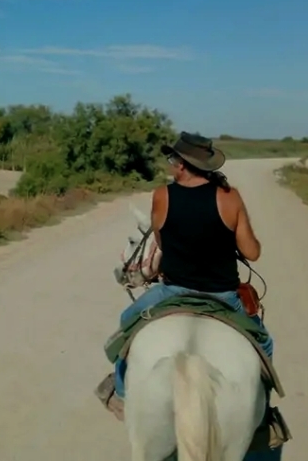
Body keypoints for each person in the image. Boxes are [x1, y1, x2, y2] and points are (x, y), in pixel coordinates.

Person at [111, 131, 276, 417]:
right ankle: (262, 416)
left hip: (172, 291)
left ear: (182, 165)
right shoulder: (230, 197)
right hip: (224, 296)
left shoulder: (162, 196)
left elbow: (162, 242)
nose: (170, 165)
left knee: (126, 325)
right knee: (265, 342)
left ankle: (124, 395)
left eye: (171, 159)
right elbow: (252, 253)